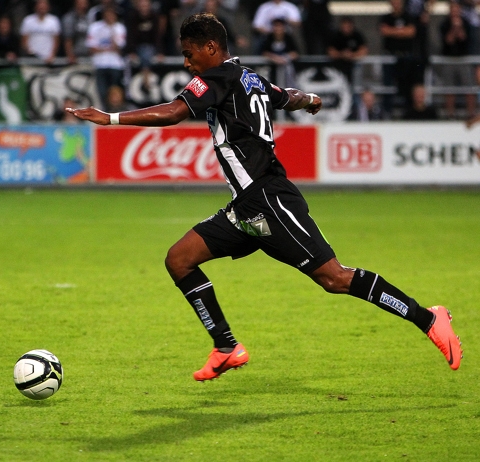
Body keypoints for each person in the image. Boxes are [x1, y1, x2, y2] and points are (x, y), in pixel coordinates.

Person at [66, 13, 462, 381]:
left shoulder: (216, 78)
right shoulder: (248, 76)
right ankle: (226, 346)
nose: (187, 64)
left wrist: (110, 118)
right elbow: (284, 95)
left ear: (210, 48)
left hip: (270, 199)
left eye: (189, 54)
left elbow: (173, 112)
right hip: (246, 207)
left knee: (334, 278)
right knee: (180, 259)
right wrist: (309, 100)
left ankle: (428, 318)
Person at [378, 0, 420, 116]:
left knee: (406, 85)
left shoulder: (408, 16)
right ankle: (387, 112)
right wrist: (401, 31)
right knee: (388, 85)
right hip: (390, 56)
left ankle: (408, 112)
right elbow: (384, 31)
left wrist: (393, 31)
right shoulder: (386, 17)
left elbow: (411, 32)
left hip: (405, 56)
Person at [440, 0, 476, 120]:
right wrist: (453, 29)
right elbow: (448, 40)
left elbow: (464, 39)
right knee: (450, 90)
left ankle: (470, 114)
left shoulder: (466, 23)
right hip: (449, 60)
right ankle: (450, 115)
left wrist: (459, 27)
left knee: (469, 88)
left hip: (463, 59)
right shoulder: (444, 24)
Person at [86, 5, 127, 109]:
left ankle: (118, 113)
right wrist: (107, 48)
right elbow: (91, 48)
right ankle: (105, 113)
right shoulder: (95, 27)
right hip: (100, 64)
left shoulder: (119, 28)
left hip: (116, 64)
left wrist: (112, 33)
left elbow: (119, 48)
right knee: (102, 92)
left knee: (116, 91)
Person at [327, 16, 368, 83]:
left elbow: (364, 51)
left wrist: (351, 55)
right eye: (344, 26)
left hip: (354, 65)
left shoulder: (357, 35)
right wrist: (342, 54)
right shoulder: (336, 36)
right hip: (338, 65)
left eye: (348, 26)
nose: (346, 28)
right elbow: (330, 51)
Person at [260, 18, 299, 88]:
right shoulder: (268, 38)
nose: (278, 29)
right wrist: (275, 58)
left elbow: (295, 53)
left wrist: (285, 58)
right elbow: (264, 52)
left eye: (280, 26)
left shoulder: (288, 38)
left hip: (287, 71)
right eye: (276, 26)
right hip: (272, 71)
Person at [62, 0, 91, 64]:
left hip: (89, 55)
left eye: (85, 3)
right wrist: (70, 55)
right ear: (76, 3)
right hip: (76, 55)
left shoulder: (89, 17)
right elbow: (68, 39)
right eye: (80, 3)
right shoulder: (69, 18)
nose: (83, 5)